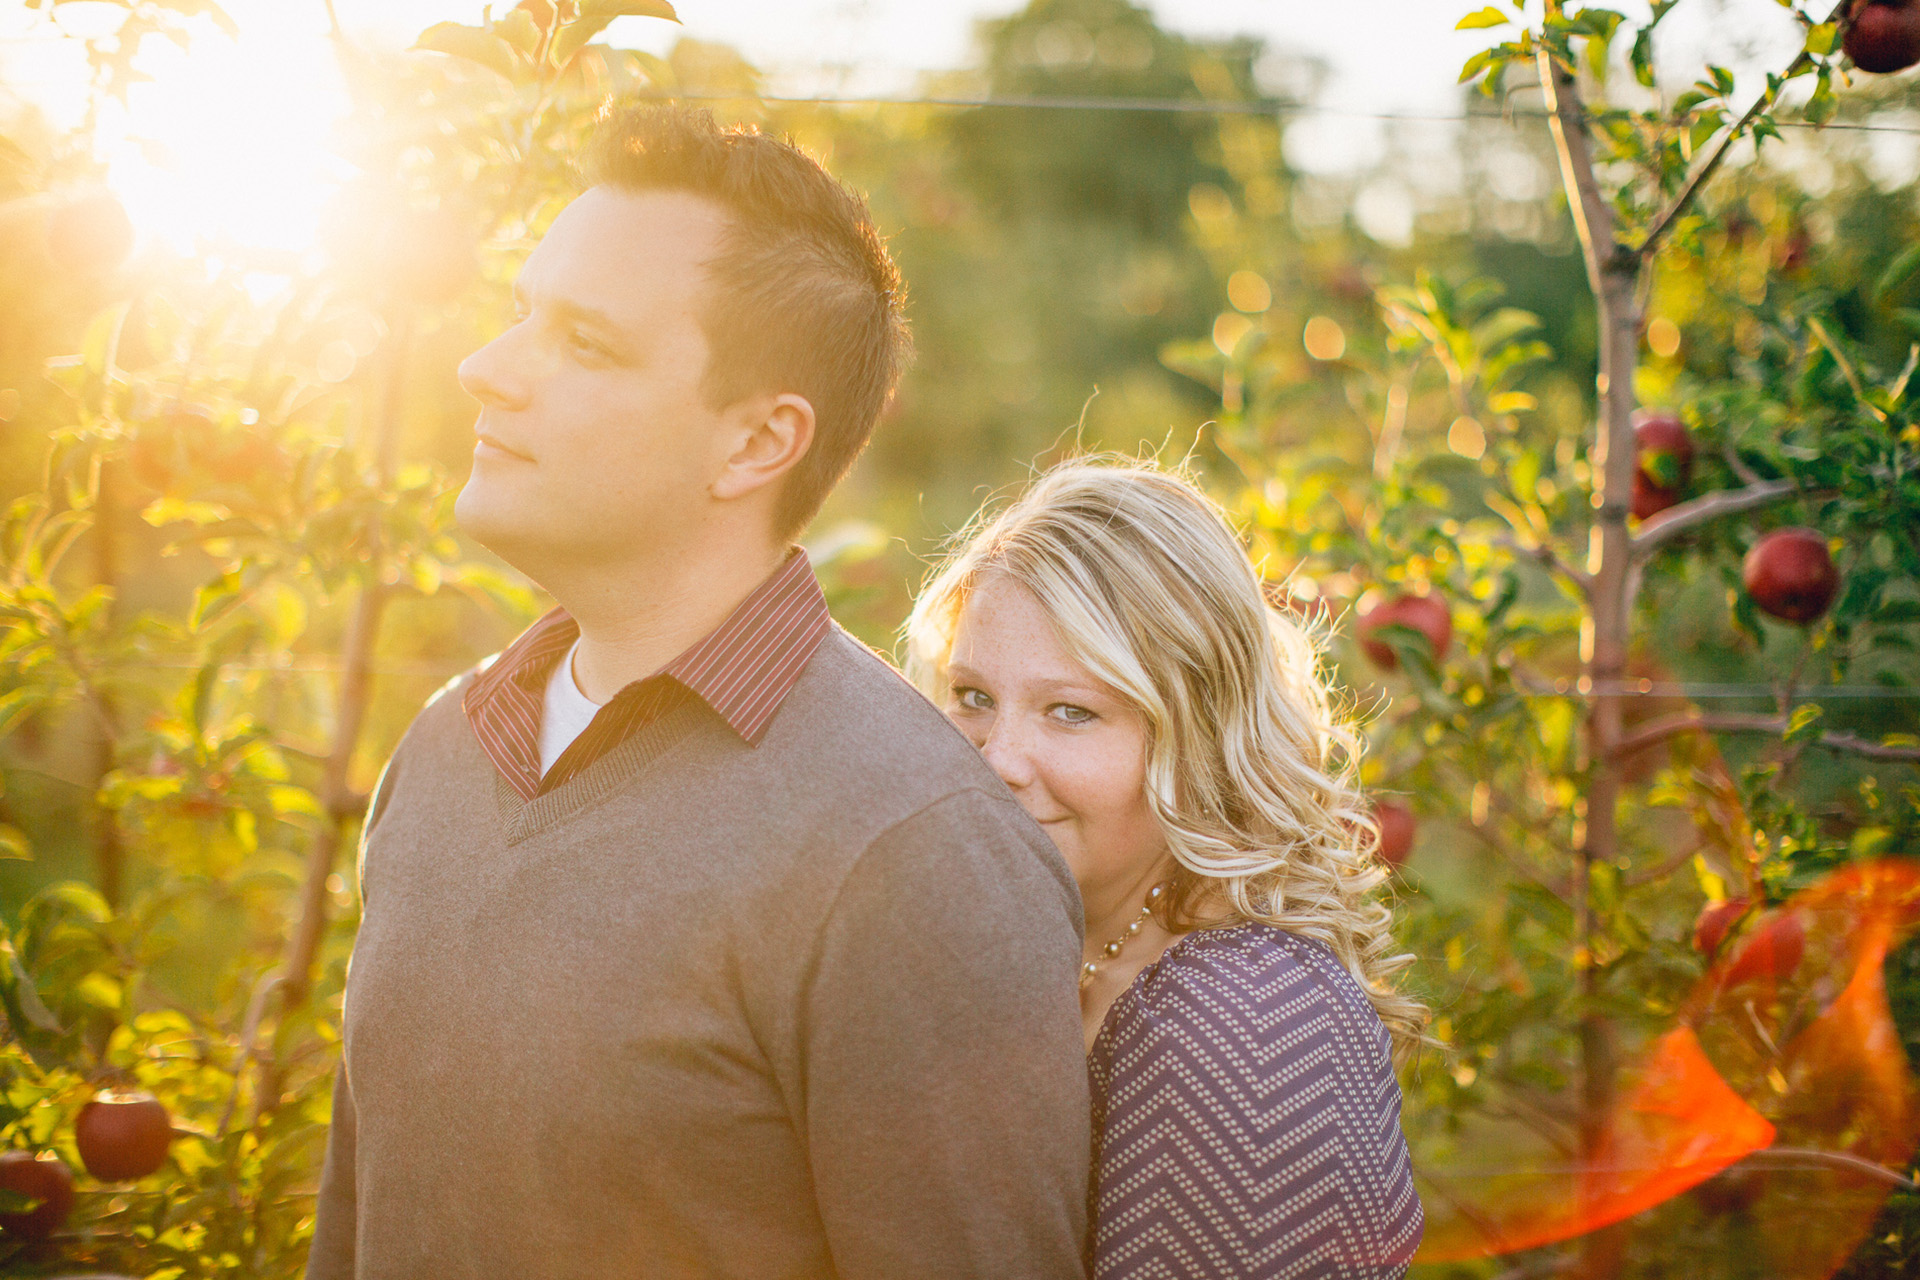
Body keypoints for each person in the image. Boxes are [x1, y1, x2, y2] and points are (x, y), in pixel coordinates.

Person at [306, 106, 1092, 1280]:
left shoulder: (913, 851)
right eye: (524, 313)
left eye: (586, 341)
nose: (486, 366)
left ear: (756, 443)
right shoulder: (443, 749)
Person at [906, 459, 1427, 1279]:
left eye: (1070, 712)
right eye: (972, 696)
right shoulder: (1021, 942)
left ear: (1197, 740)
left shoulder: (1245, 1024)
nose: (995, 759)